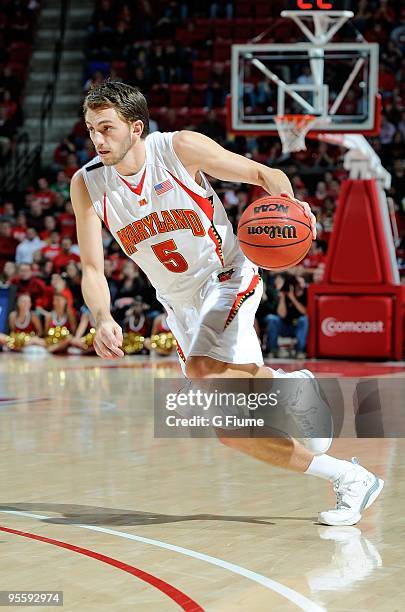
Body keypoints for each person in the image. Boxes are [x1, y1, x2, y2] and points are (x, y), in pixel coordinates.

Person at [70, 80, 384, 527]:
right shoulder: (87, 184)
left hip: (226, 277)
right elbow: (92, 269)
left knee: (201, 367)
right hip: (178, 305)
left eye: (107, 128)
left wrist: (292, 205)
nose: (97, 139)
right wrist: (101, 317)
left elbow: (264, 175)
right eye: (90, 129)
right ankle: (351, 478)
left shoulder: (179, 148)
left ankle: (289, 384)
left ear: (135, 128)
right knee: (233, 431)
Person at [264, 274, 309, 359]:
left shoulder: (304, 294)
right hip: (284, 326)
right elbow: (282, 314)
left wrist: (292, 298)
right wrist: (283, 297)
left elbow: (304, 311)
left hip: (296, 327)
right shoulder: (284, 295)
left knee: (304, 319)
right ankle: (273, 349)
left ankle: (299, 350)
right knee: (272, 319)